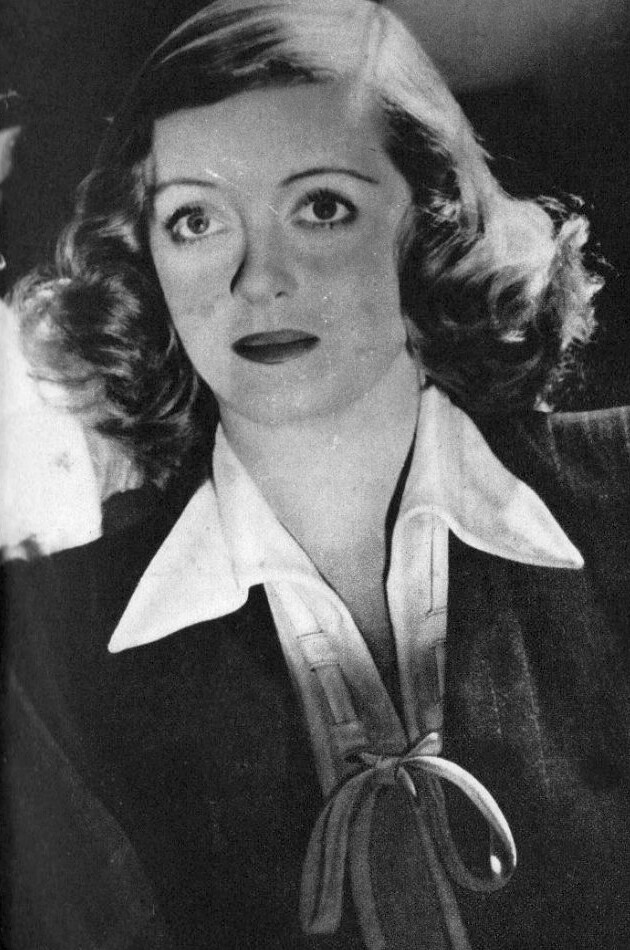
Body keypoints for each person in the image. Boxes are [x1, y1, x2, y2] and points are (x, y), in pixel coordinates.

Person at [3, 0, 630, 948]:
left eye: (322, 206)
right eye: (196, 219)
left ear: (433, 222)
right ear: (146, 259)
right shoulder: (44, 656)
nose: (259, 278)